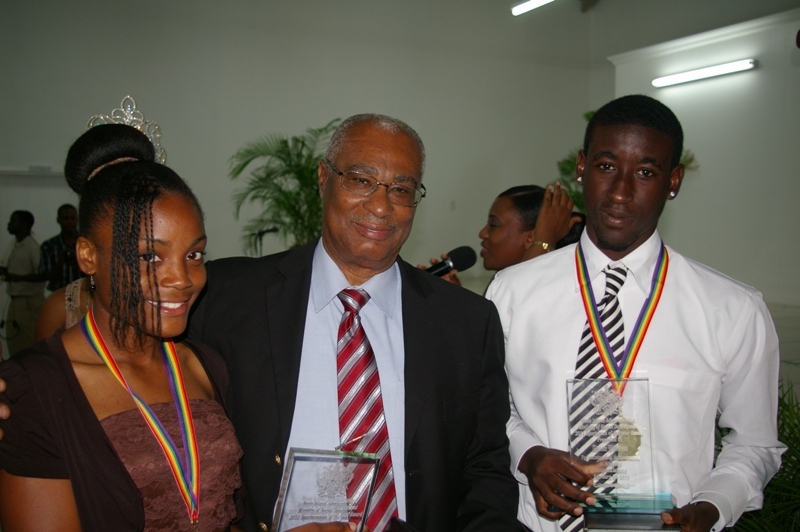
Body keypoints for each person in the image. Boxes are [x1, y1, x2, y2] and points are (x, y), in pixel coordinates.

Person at [187, 113, 519, 531]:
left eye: (401, 189)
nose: (381, 206)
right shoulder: (227, 299)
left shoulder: (466, 322)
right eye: (360, 180)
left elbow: (484, 470)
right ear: (324, 177)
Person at [485, 95, 784, 532]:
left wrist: (713, 506)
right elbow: (490, 408)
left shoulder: (732, 309)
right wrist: (529, 457)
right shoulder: (513, 291)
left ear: (673, 180)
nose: (621, 192)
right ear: (582, 167)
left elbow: (755, 444)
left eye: (646, 172)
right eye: (607, 166)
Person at [0, 124, 243, 531]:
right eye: (150, 256)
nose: (182, 278)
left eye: (194, 253)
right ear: (88, 255)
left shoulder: (203, 364)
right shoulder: (35, 389)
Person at [423, 183, 583, 286]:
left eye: (494, 224)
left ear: (532, 238)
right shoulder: (502, 284)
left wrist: (544, 239)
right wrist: (453, 296)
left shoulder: (554, 289)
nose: (482, 233)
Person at [0, 211, 46, 355]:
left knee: (28, 348)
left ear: (23, 225)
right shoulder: (14, 244)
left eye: (13, 221)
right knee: (14, 345)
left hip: (29, 302)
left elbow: (42, 274)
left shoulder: (33, 246)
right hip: (15, 301)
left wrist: (17, 277)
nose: (9, 224)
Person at [38, 203, 82, 292]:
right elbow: (47, 277)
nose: (69, 222)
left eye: (73, 218)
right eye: (66, 218)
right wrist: (60, 262)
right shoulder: (49, 245)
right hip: (59, 294)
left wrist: (80, 263)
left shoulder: (86, 244)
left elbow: (95, 274)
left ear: (77, 220)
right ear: (59, 220)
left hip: (83, 293)